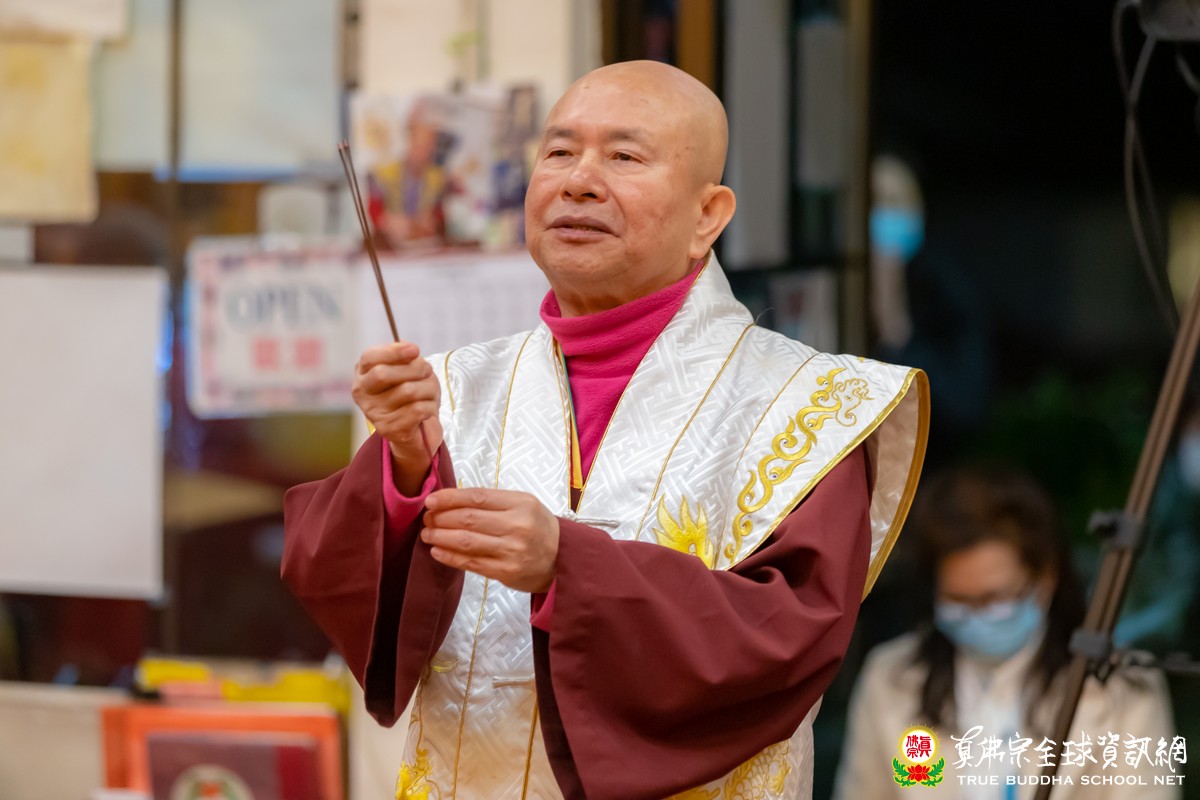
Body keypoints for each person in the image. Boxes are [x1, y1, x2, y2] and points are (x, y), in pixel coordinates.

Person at [283, 61, 929, 800]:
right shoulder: (454, 386)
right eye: (559, 152)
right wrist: (404, 470)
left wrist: (569, 566)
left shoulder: (808, 406)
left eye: (623, 156)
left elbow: (788, 637)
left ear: (708, 215)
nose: (579, 182)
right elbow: (347, 596)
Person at [833, 465, 1180, 800]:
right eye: (958, 599)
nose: (976, 617)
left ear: (1045, 579)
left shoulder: (1123, 689)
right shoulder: (889, 679)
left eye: (994, 599)